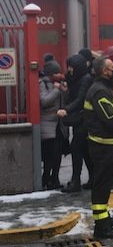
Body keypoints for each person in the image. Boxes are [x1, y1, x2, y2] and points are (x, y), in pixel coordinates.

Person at [83, 57, 113, 239]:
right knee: (102, 185)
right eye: (112, 68)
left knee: (105, 183)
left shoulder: (105, 89)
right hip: (102, 146)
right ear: (104, 71)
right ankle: (101, 226)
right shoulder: (100, 92)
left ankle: (104, 218)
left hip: (105, 144)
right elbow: (111, 119)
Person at [58, 54, 94, 193]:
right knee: (84, 150)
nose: (70, 70)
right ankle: (92, 178)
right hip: (81, 120)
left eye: (71, 67)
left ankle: (76, 181)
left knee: (76, 148)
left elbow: (80, 99)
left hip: (85, 120)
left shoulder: (85, 79)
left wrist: (66, 109)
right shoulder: (79, 78)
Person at [40, 60, 68, 190]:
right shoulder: (42, 84)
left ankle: (55, 178)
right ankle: (46, 178)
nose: (59, 75)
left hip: (60, 126)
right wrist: (56, 91)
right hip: (48, 125)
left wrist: (64, 90)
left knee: (58, 154)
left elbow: (67, 100)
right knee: (48, 155)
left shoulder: (60, 84)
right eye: (56, 72)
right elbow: (44, 102)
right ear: (51, 74)